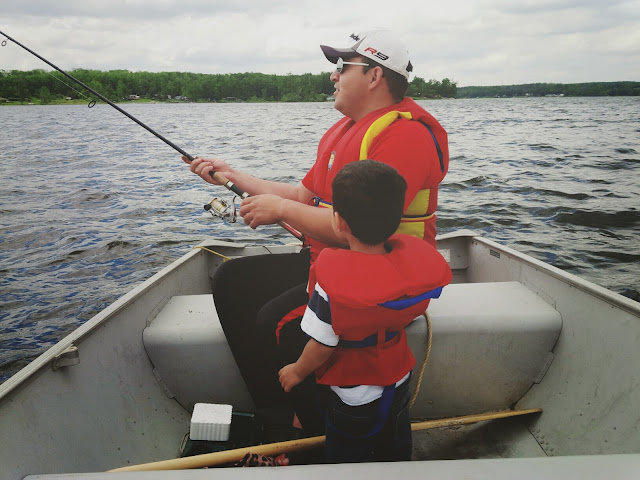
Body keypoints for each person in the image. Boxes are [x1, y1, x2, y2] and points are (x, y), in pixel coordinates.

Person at [183, 28, 450, 436]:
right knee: (233, 280)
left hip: (384, 283)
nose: (333, 75)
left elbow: (358, 231)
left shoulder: (405, 136)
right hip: (336, 263)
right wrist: (230, 175)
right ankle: (281, 411)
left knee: (278, 321)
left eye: (342, 66)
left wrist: (280, 210)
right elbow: (301, 195)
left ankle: (311, 428)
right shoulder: (345, 130)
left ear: (375, 76)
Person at [279, 160, 452, 463]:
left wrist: (296, 371)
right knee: (395, 444)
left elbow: (321, 345)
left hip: (354, 396)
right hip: (399, 380)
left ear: (338, 222)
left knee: (347, 453)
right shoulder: (407, 274)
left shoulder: (332, 283)